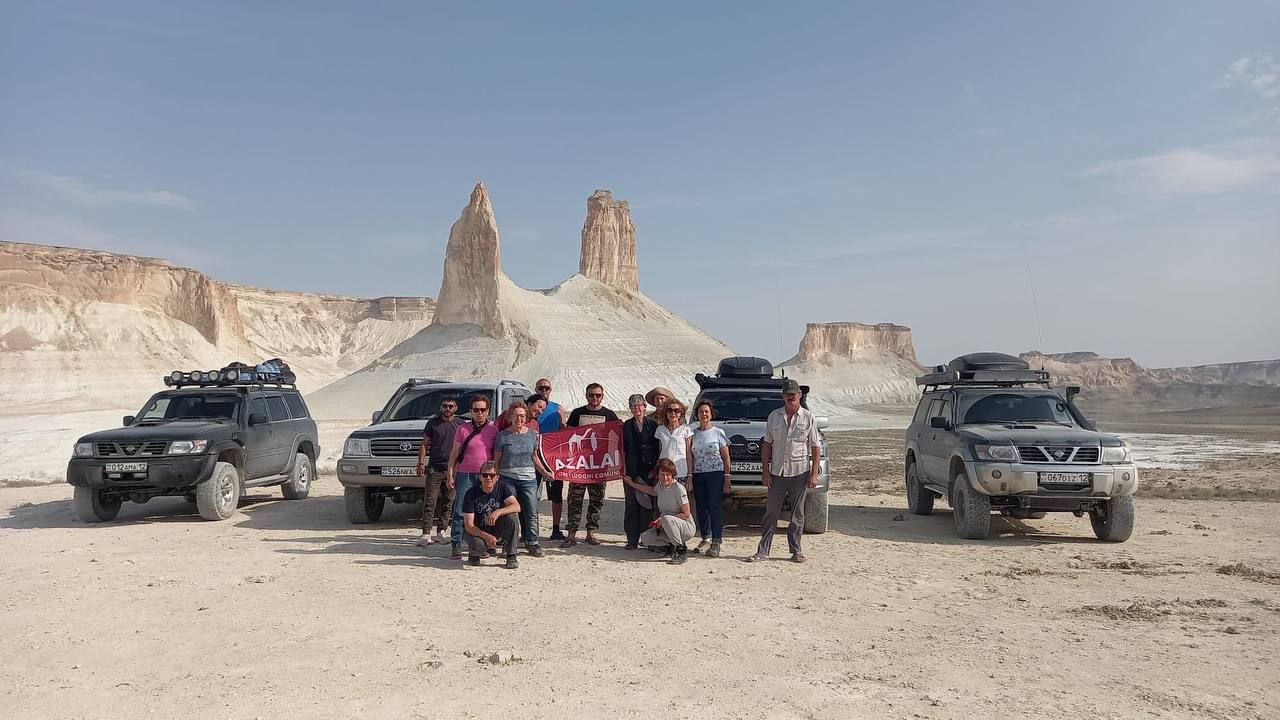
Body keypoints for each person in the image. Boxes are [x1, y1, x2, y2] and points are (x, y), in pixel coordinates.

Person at [746, 379, 822, 564]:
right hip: (777, 472)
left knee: (797, 514)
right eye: (787, 394)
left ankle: (796, 551)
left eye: (793, 394)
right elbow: (767, 445)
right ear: (783, 396)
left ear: (799, 395)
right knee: (771, 513)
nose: (790, 396)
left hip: (799, 472)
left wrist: (813, 473)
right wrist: (765, 470)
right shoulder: (774, 416)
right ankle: (763, 551)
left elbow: (815, 446)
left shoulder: (808, 417)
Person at [561, 382, 619, 548]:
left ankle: (591, 532)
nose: (595, 398)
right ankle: (571, 534)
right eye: (591, 395)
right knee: (574, 500)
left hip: (599, 465)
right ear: (586, 395)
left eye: (598, 395)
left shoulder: (609, 415)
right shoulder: (577, 413)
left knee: (596, 500)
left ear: (602, 396)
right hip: (579, 466)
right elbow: (568, 437)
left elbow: (617, 438)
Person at [493, 400, 552, 558]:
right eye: (516, 415)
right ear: (510, 417)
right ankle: (508, 543)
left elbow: (534, 457)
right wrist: (494, 478)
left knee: (531, 511)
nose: (519, 419)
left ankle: (532, 542)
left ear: (526, 417)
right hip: (507, 479)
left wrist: (544, 471)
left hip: (528, 479)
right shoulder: (502, 435)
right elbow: (496, 460)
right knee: (510, 513)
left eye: (522, 416)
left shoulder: (532, 434)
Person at [447, 395, 498, 560]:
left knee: (485, 509)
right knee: (461, 509)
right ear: (470, 411)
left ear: (488, 411)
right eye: (476, 410)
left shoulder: (493, 429)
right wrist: (450, 473)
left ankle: (483, 544)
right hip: (466, 473)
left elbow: (496, 454)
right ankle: (456, 543)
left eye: (483, 410)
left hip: (486, 475)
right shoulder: (463, 429)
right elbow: (454, 454)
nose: (479, 413)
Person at [626, 458, 696, 565]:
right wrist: (632, 484)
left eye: (668, 474)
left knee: (667, 519)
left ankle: (680, 551)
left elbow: (686, 514)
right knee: (645, 538)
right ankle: (670, 547)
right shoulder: (660, 485)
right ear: (658, 474)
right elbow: (651, 491)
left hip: (685, 527)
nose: (665, 477)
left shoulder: (678, 489)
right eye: (662, 474)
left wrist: (663, 520)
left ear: (672, 474)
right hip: (667, 525)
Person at [415, 396, 464, 547]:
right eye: (445, 406)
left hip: (453, 469)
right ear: (441, 407)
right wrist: (421, 462)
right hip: (435, 468)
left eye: (450, 406)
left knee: (449, 501)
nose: (447, 409)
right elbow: (424, 443)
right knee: (430, 501)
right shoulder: (433, 423)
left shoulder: (461, 424)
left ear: (456, 408)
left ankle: (441, 531)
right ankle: (425, 533)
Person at [686, 399, 731, 558]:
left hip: (715, 474)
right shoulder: (693, 433)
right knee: (701, 508)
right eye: (700, 412)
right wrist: (690, 476)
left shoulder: (718, 432)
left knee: (715, 506)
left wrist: (727, 476)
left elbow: (726, 457)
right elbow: (690, 456)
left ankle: (716, 541)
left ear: (711, 414)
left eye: (706, 411)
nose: (703, 414)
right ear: (697, 415)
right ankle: (705, 537)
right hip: (699, 474)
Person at [461, 461, 521, 569]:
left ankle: (511, 555)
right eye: (484, 475)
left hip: (494, 527)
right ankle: (474, 553)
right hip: (476, 530)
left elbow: (517, 506)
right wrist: (486, 536)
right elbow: (469, 525)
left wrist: (498, 512)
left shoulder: (502, 487)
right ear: (480, 477)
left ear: (497, 477)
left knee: (512, 517)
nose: (488, 478)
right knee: (479, 545)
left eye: (492, 475)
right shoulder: (471, 494)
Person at [622, 393, 659, 550]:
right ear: (630, 408)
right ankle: (632, 539)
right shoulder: (626, 425)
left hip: (649, 471)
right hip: (632, 471)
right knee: (631, 505)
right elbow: (622, 448)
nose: (637, 408)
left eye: (639, 405)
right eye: (633, 405)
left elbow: (658, 447)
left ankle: (647, 538)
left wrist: (655, 470)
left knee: (648, 506)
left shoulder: (653, 424)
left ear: (645, 407)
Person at [533, 378, 568, 541]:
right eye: (541, 388)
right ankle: (531, 530)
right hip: (533, 457)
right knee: (532, 495)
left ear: (550, 389)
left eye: (546, 388)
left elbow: (564, 430)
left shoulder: (557, 408)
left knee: (555, 495)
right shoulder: (531, 409)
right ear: (536, 389)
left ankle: (555, 529)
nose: (543, 390)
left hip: (553, 458)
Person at [655, 398, 693, 489]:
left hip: (681, 472)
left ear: (681, 414)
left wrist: (690, 475)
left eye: (676, 411)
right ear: (666, 413)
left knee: (682, 501)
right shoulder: (660, 430)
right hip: (665, 472)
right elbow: (660, 450)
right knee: (666, 501)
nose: (673, 413)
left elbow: (689, 453)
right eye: (669, 410)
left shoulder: (686, 429)